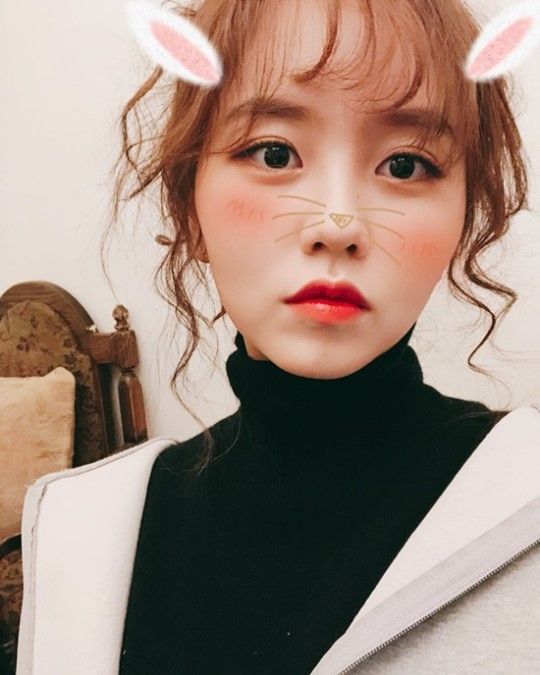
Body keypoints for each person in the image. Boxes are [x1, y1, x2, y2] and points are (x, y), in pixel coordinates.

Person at [15, 1, 540, 674]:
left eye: (406, 165)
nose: (337, 225)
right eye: (274, 152)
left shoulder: (522, 497)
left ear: (465, 218)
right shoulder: (76, 528)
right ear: (188, 208)